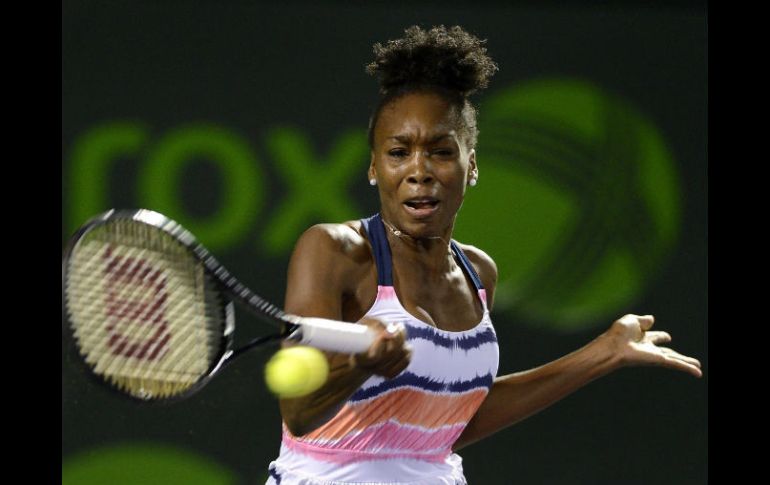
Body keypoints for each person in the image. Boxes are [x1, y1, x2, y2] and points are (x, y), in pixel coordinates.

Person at [266, 25, 701, 485]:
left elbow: (450, 422)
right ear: (375, 167)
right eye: (398, 152)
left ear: (470, 165)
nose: (419, 171)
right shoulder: (333, 250)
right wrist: (360, 365)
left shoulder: (478, 273)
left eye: (440, 152)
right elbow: (300, 412)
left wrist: (603, 353)